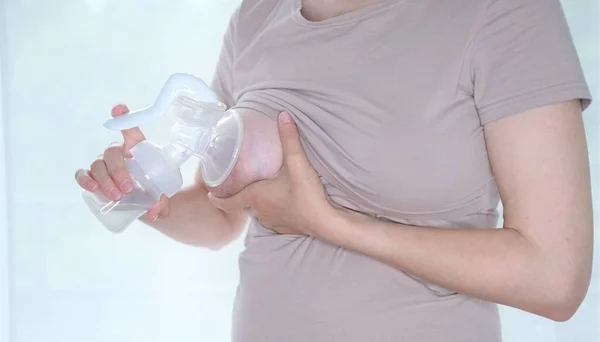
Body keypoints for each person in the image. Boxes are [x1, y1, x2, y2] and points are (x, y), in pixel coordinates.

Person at [75, 0, 595, 340]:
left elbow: (554, 279)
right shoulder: (257, 17)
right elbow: (221, 216)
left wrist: (327, 223)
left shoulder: (502, 13)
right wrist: (147, 199)